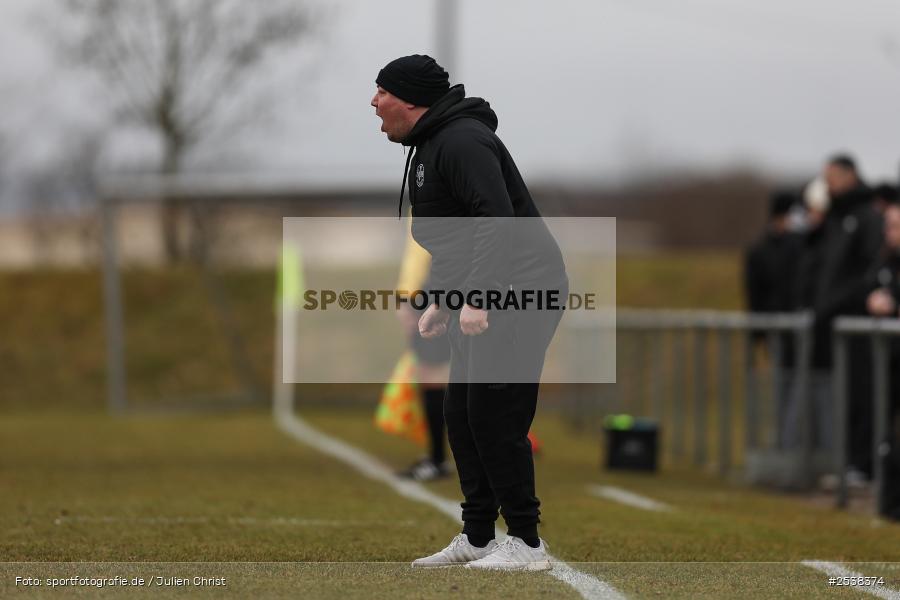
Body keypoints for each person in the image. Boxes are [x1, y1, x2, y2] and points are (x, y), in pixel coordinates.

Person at [371, 55, 567, 571]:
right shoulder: (430, 145)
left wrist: (479, 297)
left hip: (520, 289)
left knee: (493, 415)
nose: (373, 102)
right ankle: (478, 535)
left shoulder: (461, 140)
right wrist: (441, 297)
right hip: (485, 288)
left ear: (410, 98)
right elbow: (454, 238)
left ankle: (526, 543)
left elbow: (496, 219)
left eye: (381, 92)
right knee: (460, 414)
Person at [813, 154, 883, 480]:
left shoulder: (867, 216)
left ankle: (863, 465)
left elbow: (867, 271)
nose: (828, 184)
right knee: (844, 395)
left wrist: (840, 302)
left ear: (849, 175)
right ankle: (849, 462)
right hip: (835, 323)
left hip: (859, 323)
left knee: (864, 394)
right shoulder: (836, 218)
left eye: (832, 177)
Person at [743, 190, 804, 448]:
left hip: (798, 330)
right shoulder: (762, 251)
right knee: (785, 389)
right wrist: (757, 335)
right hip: (779, 331)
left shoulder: (798, 245)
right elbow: (754, 295)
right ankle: (785, 445)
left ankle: (792, 444)